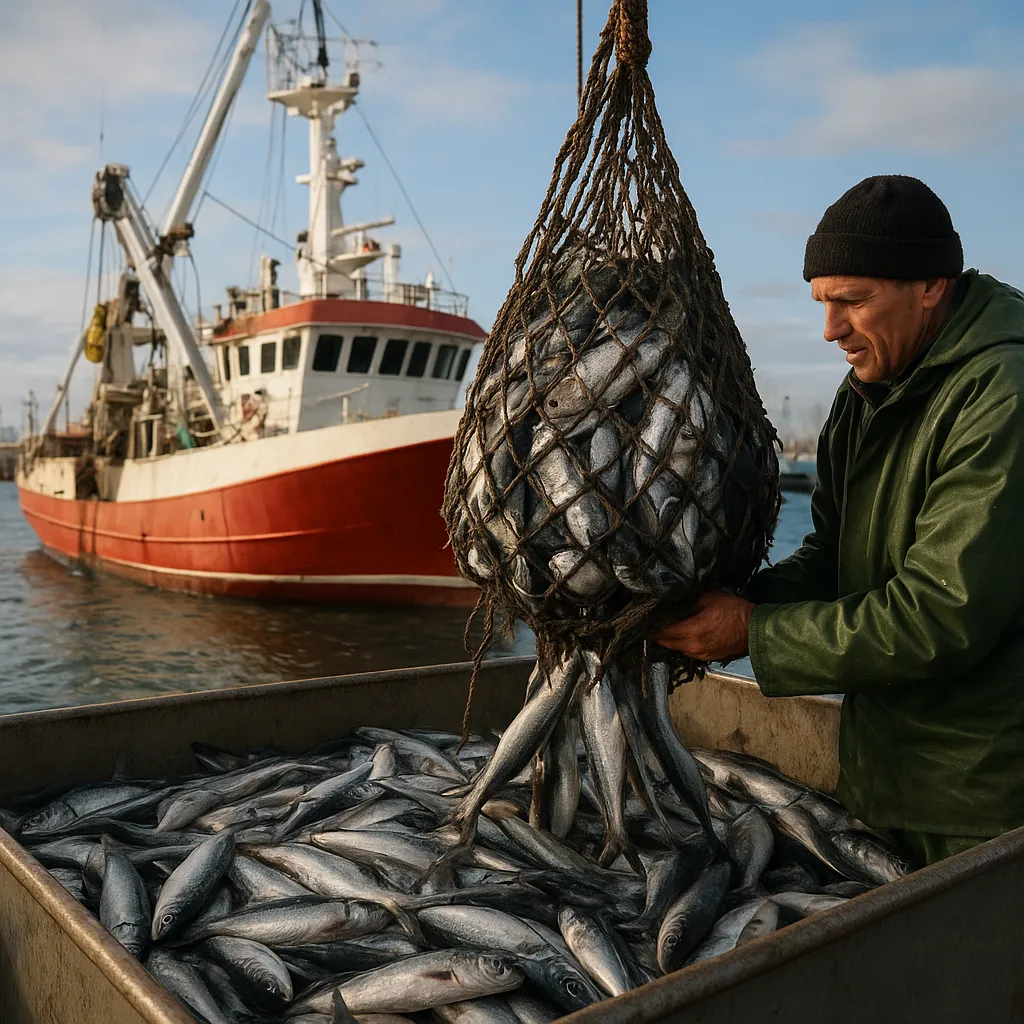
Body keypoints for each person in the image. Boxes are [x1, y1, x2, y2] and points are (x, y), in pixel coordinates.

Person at [656, 174, 1024, 866]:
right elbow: (832, 558)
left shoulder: (1003, 394)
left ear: (930, 287)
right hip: (881, 781)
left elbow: (942, 615)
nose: (830, 331)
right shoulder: (866, 395)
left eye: (852, 301)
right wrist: (739, 605)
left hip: (984, 806)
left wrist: (752, 632)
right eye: (823, 303)